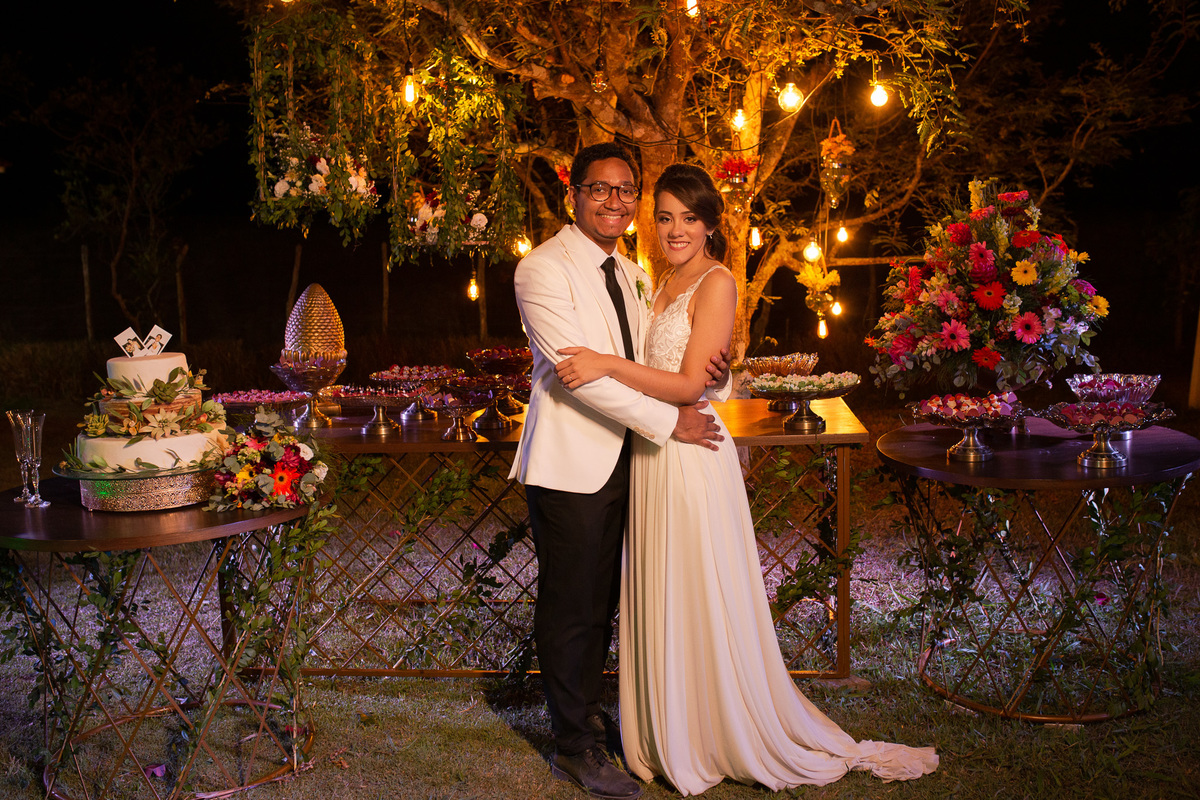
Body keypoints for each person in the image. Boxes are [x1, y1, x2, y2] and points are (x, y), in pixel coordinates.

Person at [555, 163, 939, 795]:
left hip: (688, 457)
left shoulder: (717, 281)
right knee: (662, 586)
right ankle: (657, 728)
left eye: (689, 218)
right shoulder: (655, 283)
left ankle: (706, 729)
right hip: (652, 455)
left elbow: (685, 386)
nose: (676, 229)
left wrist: (603, 363)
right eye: (667, 217)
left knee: (696, 586)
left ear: (711, 224)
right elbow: (691, 375)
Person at [509, 144, 729, 800]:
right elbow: (582, 377)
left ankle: (591, 712)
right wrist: (672, 422)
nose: (614, 201)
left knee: (606, 602)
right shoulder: (540, 270)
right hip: (572, 462)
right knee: (572, 603)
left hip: (634, 463)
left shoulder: (637, 274)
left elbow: (653, 360)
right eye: (599, 189)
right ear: (572, 194)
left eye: (625, 190)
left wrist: (708, 374)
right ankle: (573, 744)